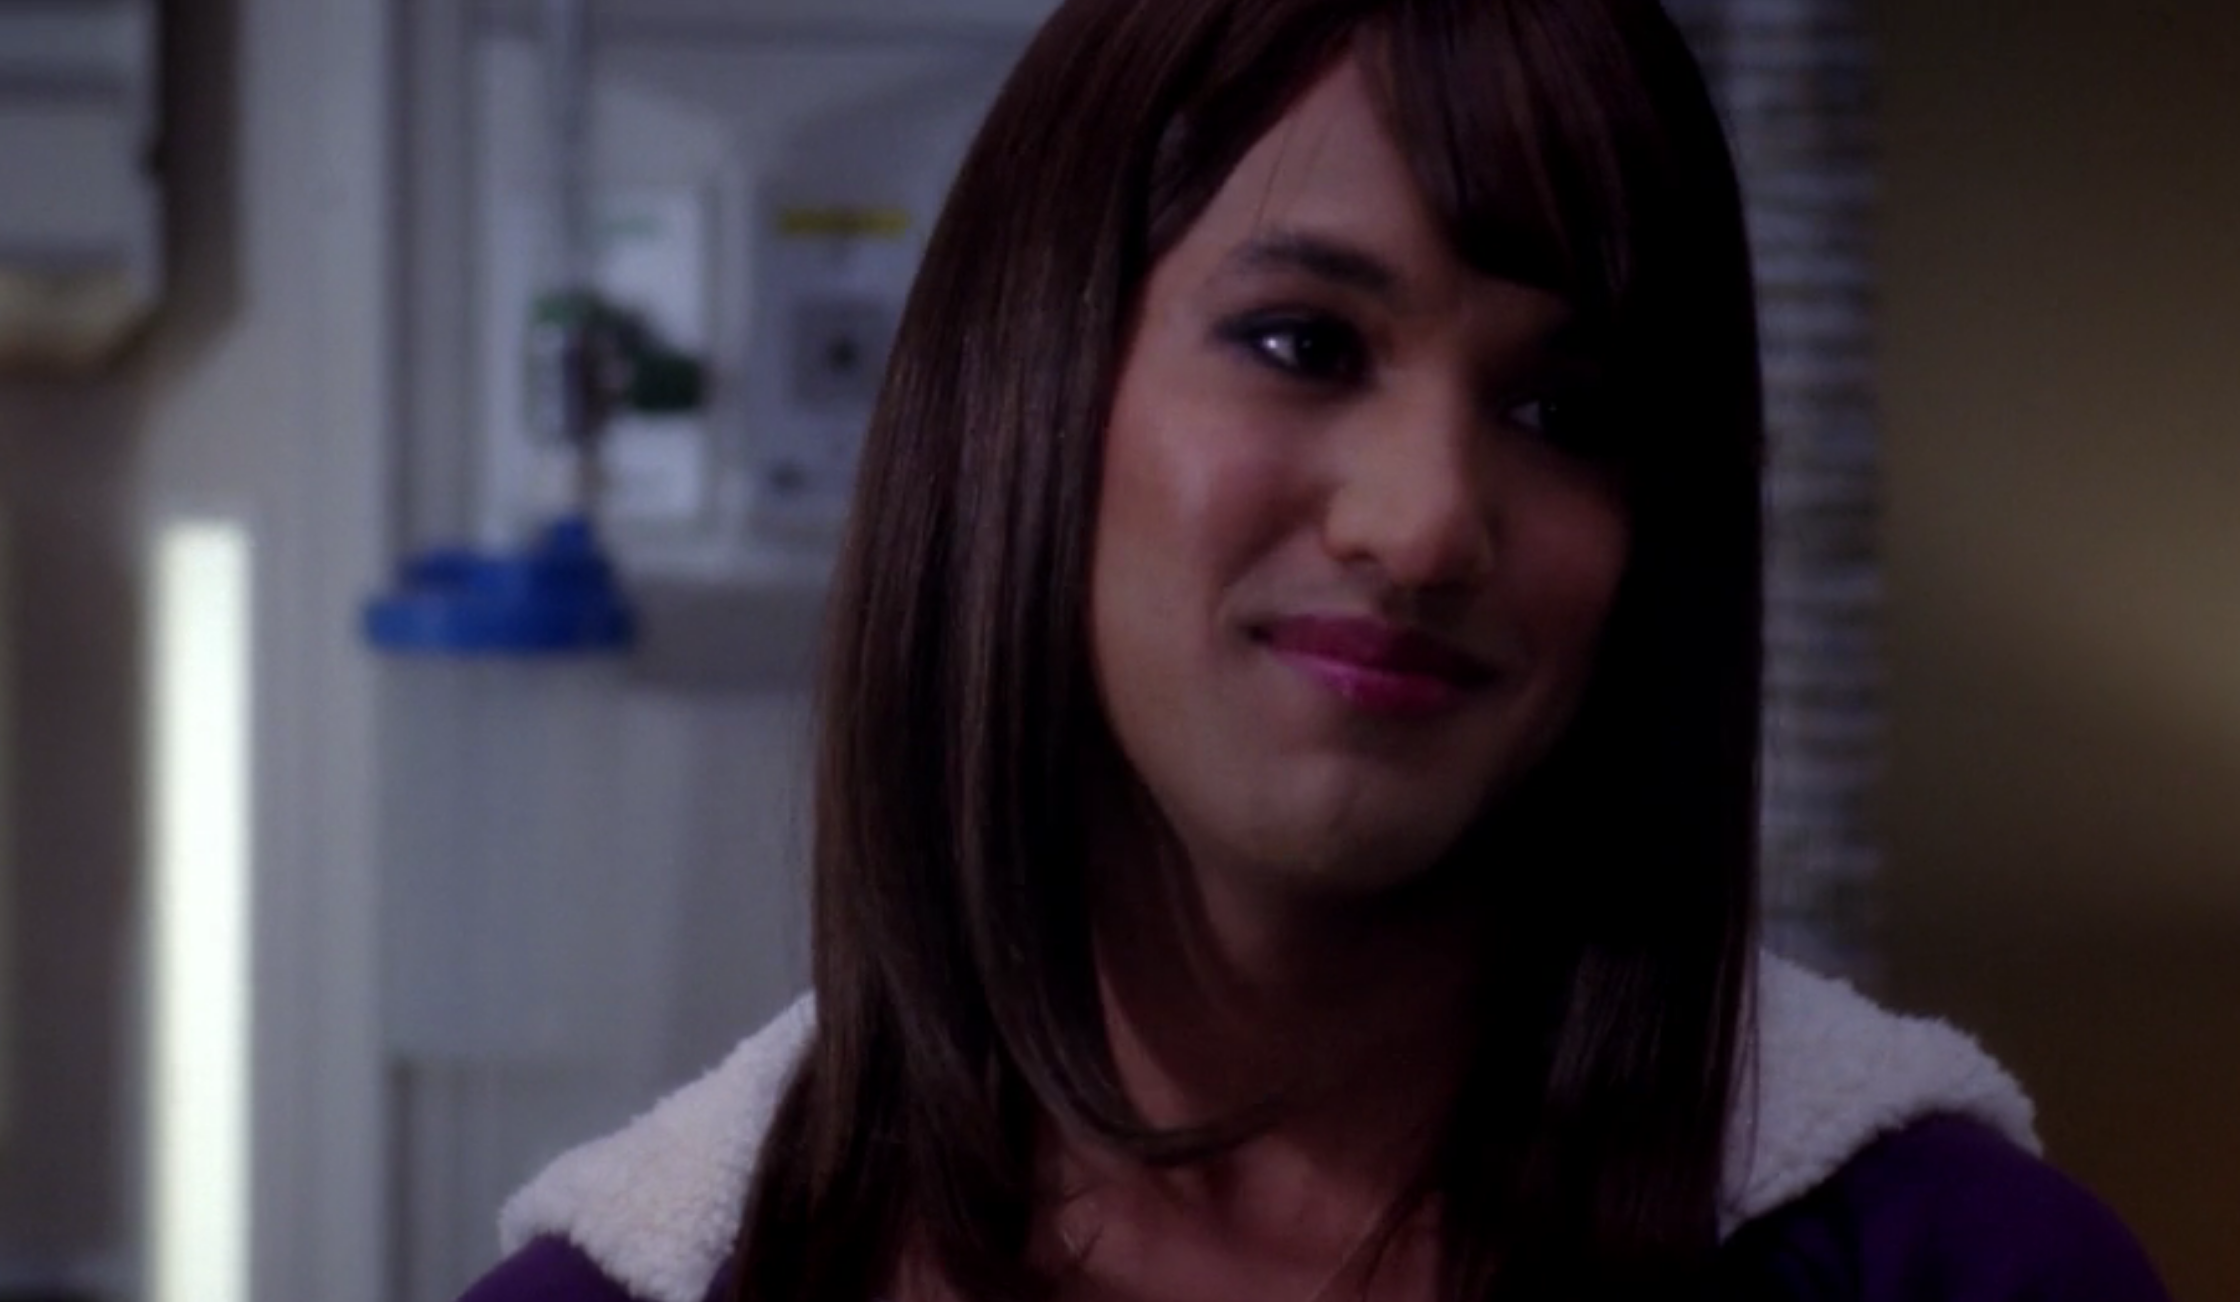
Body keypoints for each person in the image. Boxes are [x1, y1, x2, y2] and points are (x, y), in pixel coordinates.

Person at [461, 0, 2170, 1298]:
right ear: (1029, 389)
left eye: (1565, 411)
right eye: (1303, 343)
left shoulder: (1956, 1263)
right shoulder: (638, 1282)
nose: (1424, 525)